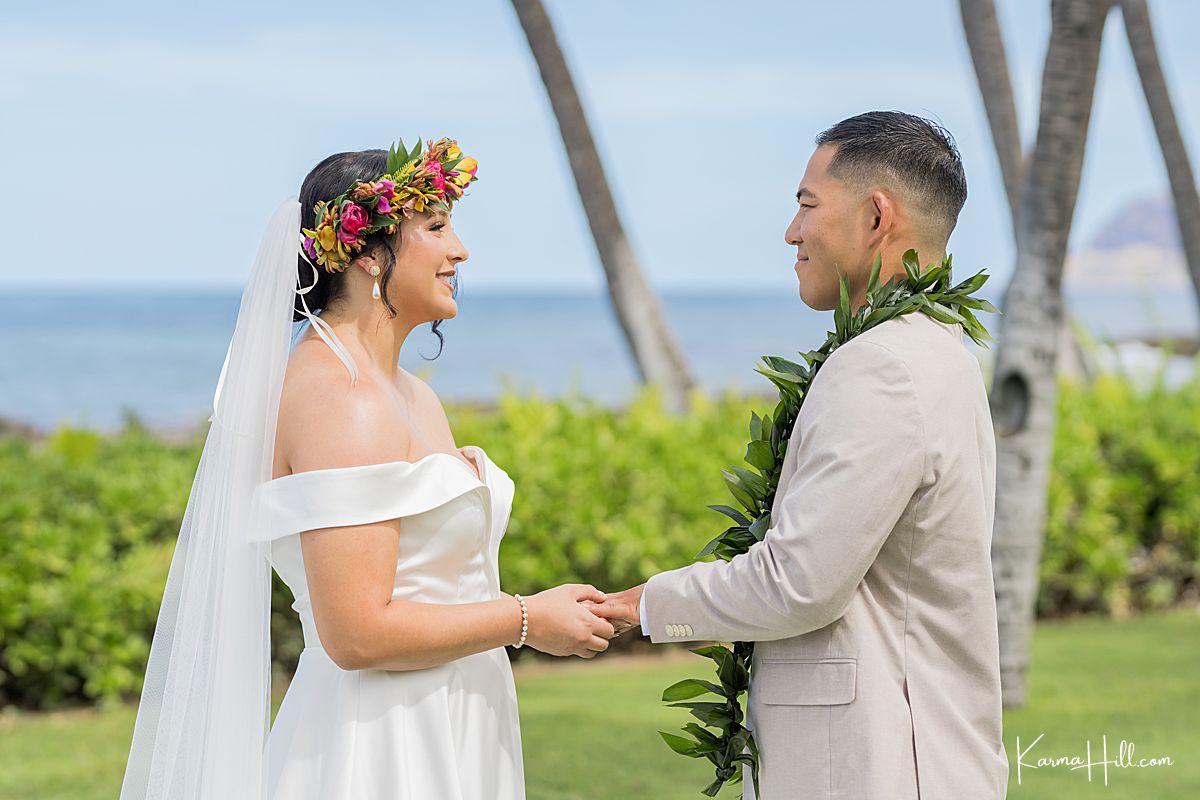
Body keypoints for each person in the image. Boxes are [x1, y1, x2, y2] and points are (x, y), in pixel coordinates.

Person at [119, 137, 614, 800]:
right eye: (435, 226)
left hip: (454, 712)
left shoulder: (411, 394)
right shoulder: (340, 398)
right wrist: (526, 618)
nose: (459, 251)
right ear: (364, 254)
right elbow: (356, 631)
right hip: (383, 741)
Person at [591, 111, 1010, 799]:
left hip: (876, 767)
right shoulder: (939, 356)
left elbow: (798, 583)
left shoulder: (880, 367)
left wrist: (644, 605)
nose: (792, 232)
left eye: (807, 206)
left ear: (877, 218)